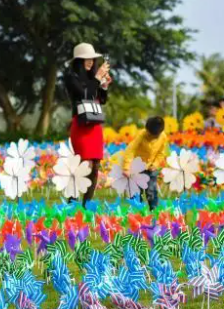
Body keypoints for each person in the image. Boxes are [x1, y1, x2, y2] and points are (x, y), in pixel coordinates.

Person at [64, 42, 111, 208]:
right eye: (86, 59)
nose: (90, 62)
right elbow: (85, 94)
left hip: (95, 126)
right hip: (81, 125)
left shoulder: (93, 78)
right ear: (78, 61)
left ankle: (87, 205)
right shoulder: (71, 77)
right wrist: (97, 78)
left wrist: (104, 85)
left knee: (95, 166)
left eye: (92, 59)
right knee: (84, 165)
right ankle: (72, 202)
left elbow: (101, 99)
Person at [122, 117, 168, 210]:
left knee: (151, 190)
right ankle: (137, 210)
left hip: (151, 167)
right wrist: (126, 168)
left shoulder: (163, 137)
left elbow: (161, 153)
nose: (152, 138)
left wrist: (155, 164)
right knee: (136, 191)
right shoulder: (141, 135)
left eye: (155, 136)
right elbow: (131, 150)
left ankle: (154, 210)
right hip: (137, 167)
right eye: (150, 135)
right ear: (147, 130)